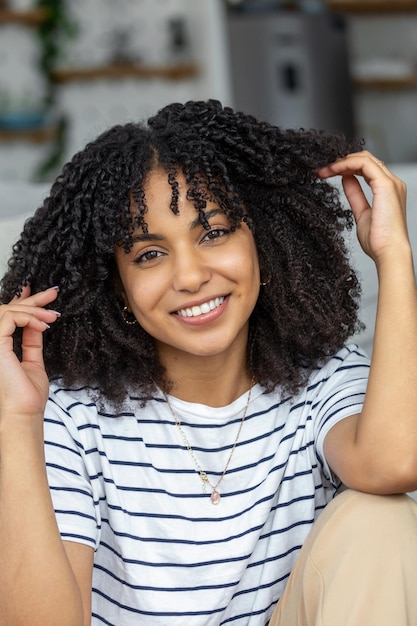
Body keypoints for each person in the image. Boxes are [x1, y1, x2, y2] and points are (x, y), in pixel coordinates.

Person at [0, 99, 416, 626]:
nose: (191, 276)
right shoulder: (69, 416)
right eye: (149, 254)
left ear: (263, 239)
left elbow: (395, 464)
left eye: (214, 233)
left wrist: (395, 257)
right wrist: (15, 420)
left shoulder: (321, 377)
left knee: (382, 514)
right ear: (117, 286)